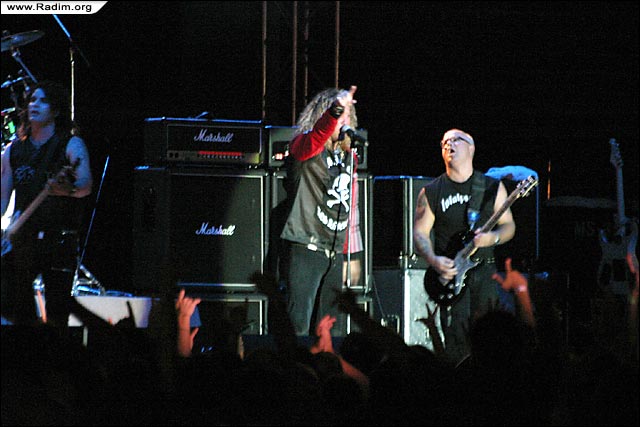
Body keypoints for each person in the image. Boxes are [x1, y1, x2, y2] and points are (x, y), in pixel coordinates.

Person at [413, 128, 516, 366]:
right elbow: (420, 233)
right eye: (444, 142)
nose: (449, 145)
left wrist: (491, 239)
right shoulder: (431, 191)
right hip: (452, 277)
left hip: (484, 273)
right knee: (456, 343)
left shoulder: (490, 187)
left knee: (490, 342)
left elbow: (509, 226)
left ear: (471, 147)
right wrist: (433, 259)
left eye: (455, 140)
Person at [1, 80, 93, 329]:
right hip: (23, 240)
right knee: (16, 307)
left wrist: (68, 189)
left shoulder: (70, 145)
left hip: (58, 239)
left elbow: (85, 184)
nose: (35, 105)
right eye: (32, 100)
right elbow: (3, 199)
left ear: (56, 111)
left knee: (57, 313)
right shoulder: (13, 151)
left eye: (43, 101)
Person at [279, 85, 359, 337]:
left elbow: (350, 206)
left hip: (333, 252)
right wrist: (335, 110)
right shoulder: (304, 146)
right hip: (306, 247)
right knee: (299, 326)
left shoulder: (349, 157)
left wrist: (351, 252)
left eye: (347, 115)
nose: (343, 120)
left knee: (331, 330)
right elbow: (315, 139)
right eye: (339, 114)